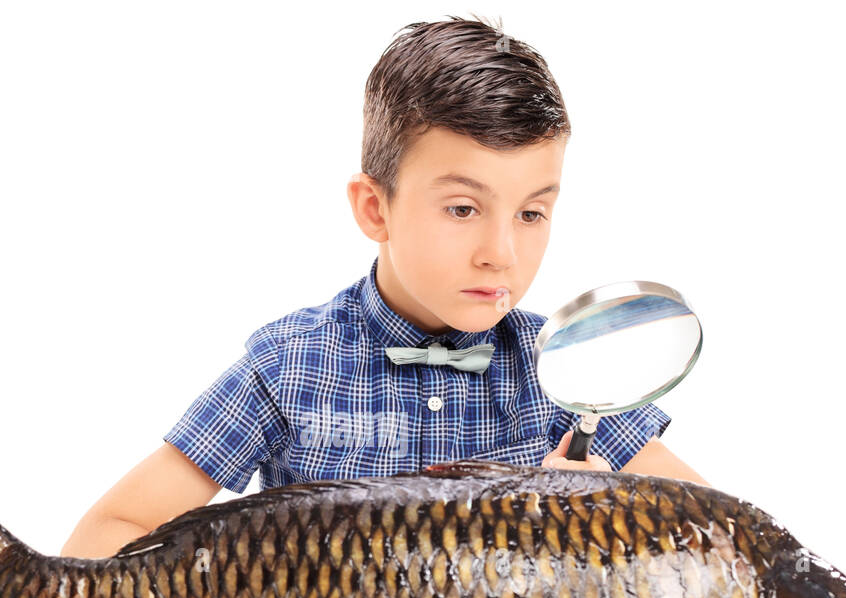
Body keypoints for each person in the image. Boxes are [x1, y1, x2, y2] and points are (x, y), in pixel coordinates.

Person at [62, 15, 707, 559]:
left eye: (532, 213)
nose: (501, 255)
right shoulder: (286, 366)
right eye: (462, 208)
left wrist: (613, 517)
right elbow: (105, 534)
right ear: (376, 209)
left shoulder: (562, 367)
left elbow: (715, 541)